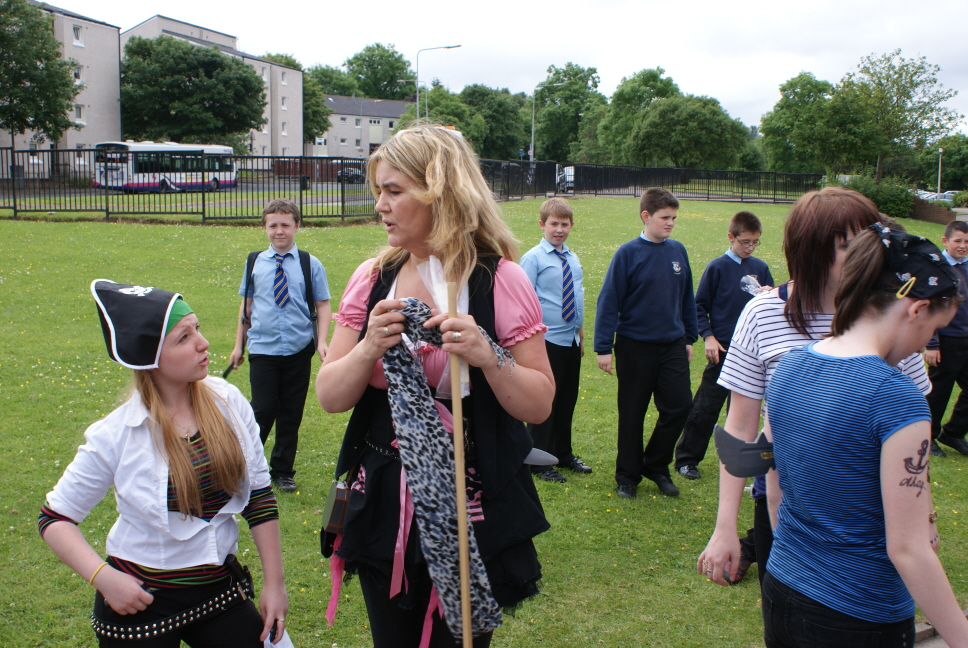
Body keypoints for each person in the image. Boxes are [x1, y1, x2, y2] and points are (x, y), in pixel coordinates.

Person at [316, 125, 554, 648]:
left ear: (439, 193)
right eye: (378, 190)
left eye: (394, 190)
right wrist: (368, 348)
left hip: (473, 496)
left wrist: (488, 355)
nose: (380, 205)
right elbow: (330, 396)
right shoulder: (372, 278)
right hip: (385, 496)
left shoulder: (499, 279)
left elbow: (539, 405)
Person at [697, 187, 931, 590]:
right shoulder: (763, 313)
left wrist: (926, 515)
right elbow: (740, 428)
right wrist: (724, 527)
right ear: (810, 251)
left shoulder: (893, 312)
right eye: (849, 245)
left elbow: (916, 438)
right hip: (782, 505)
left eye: (870, 240)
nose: (868, 254)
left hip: (874, 509)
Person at [40, 280, 288, 647]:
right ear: (149, 357)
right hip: (139, 602)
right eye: (184, 337)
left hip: (219, 591)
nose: (203, 343)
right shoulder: (116, 434)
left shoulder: (228, 401)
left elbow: (259, 496)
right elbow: (55, 518)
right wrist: (104, 578)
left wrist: (275, 584)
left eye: (197, 328)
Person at [758, 224, 968, 648]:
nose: (924, 345)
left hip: (782, 588)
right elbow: (908, 550)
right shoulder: (896, 398)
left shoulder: (790, 366)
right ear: (915, 309)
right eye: (933, 328)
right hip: (859, 615)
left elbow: (774, 489)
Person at [594, 187, 698, 498]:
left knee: (680, 405)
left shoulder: (677, 251)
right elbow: (609, 301)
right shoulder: (628, 253)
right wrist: (603, 347)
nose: (670, 223)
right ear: (646, 216)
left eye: (674, 218)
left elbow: (686, 298)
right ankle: (627, 476)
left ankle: (656, 465)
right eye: (665, 217)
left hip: (672, 344)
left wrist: (689, 337)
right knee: (632, 413)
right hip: (634, 346)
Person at [228, 198, 332, 492]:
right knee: (261, 410)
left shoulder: (310, 264)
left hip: (299, 348)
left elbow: (323, 305)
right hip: (263, 348)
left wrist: (322, 341)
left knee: (291, 412)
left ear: (297, 226)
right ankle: (246, 466)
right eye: (273, 225)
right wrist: (239, 346)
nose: (279, 231)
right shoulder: (254, 263)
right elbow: (246, 308)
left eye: (285, 225)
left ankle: (283, 470)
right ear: (265, 228)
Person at [675, 210, 774, 481]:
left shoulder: (761, 268)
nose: (750, 247)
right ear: (731, 237)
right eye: (745, 242)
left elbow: (771, 309)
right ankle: (686, 459)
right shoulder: (717, 267)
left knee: (743, 412)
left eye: (755, 242)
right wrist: (708, 336)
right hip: (724, 350)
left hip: (752, 353)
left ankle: (738, 462)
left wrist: (770, 295)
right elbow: (698, 306)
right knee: (705, 407)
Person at [519, 197, 591, 483]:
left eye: (564, 224)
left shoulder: (572, 258)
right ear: (542, 224)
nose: (559, 229)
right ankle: (537, 460)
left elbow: (578, 297)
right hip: (546, 341)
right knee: (545, 401)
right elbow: (523, 301)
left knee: (566, 400)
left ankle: (562, 452)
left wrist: (580, 333)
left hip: (570, 340)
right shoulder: (534, 258)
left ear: (571, 225)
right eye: (553, 224)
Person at [924, 220, 968, 457]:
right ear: (945, 241)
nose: (963, 246)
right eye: (958, 240)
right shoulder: (938, 269)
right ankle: (928, 437)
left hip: (966, 338)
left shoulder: (966, 267)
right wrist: (932, 344)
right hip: (945, 341)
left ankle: (953, 433)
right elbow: (929, 307)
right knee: (939, 392)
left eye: (967, 241)